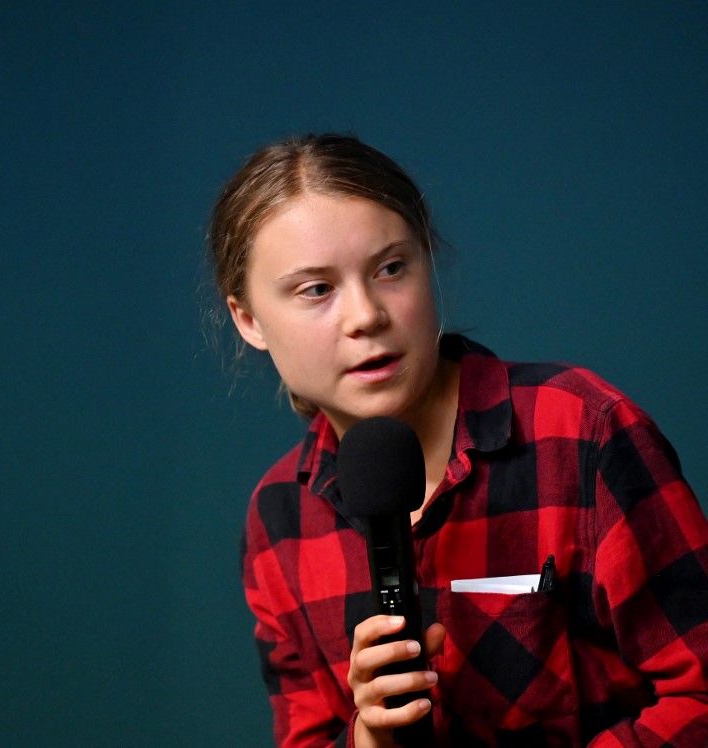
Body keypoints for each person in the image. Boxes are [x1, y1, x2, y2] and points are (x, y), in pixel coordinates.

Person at [208, 133, 708, 747]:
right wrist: (369, 738)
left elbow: (699, 694)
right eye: (317, 289)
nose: (365, 315)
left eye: (391, 269)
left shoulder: (581, 431)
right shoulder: (280, 516)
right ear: (249, 320)